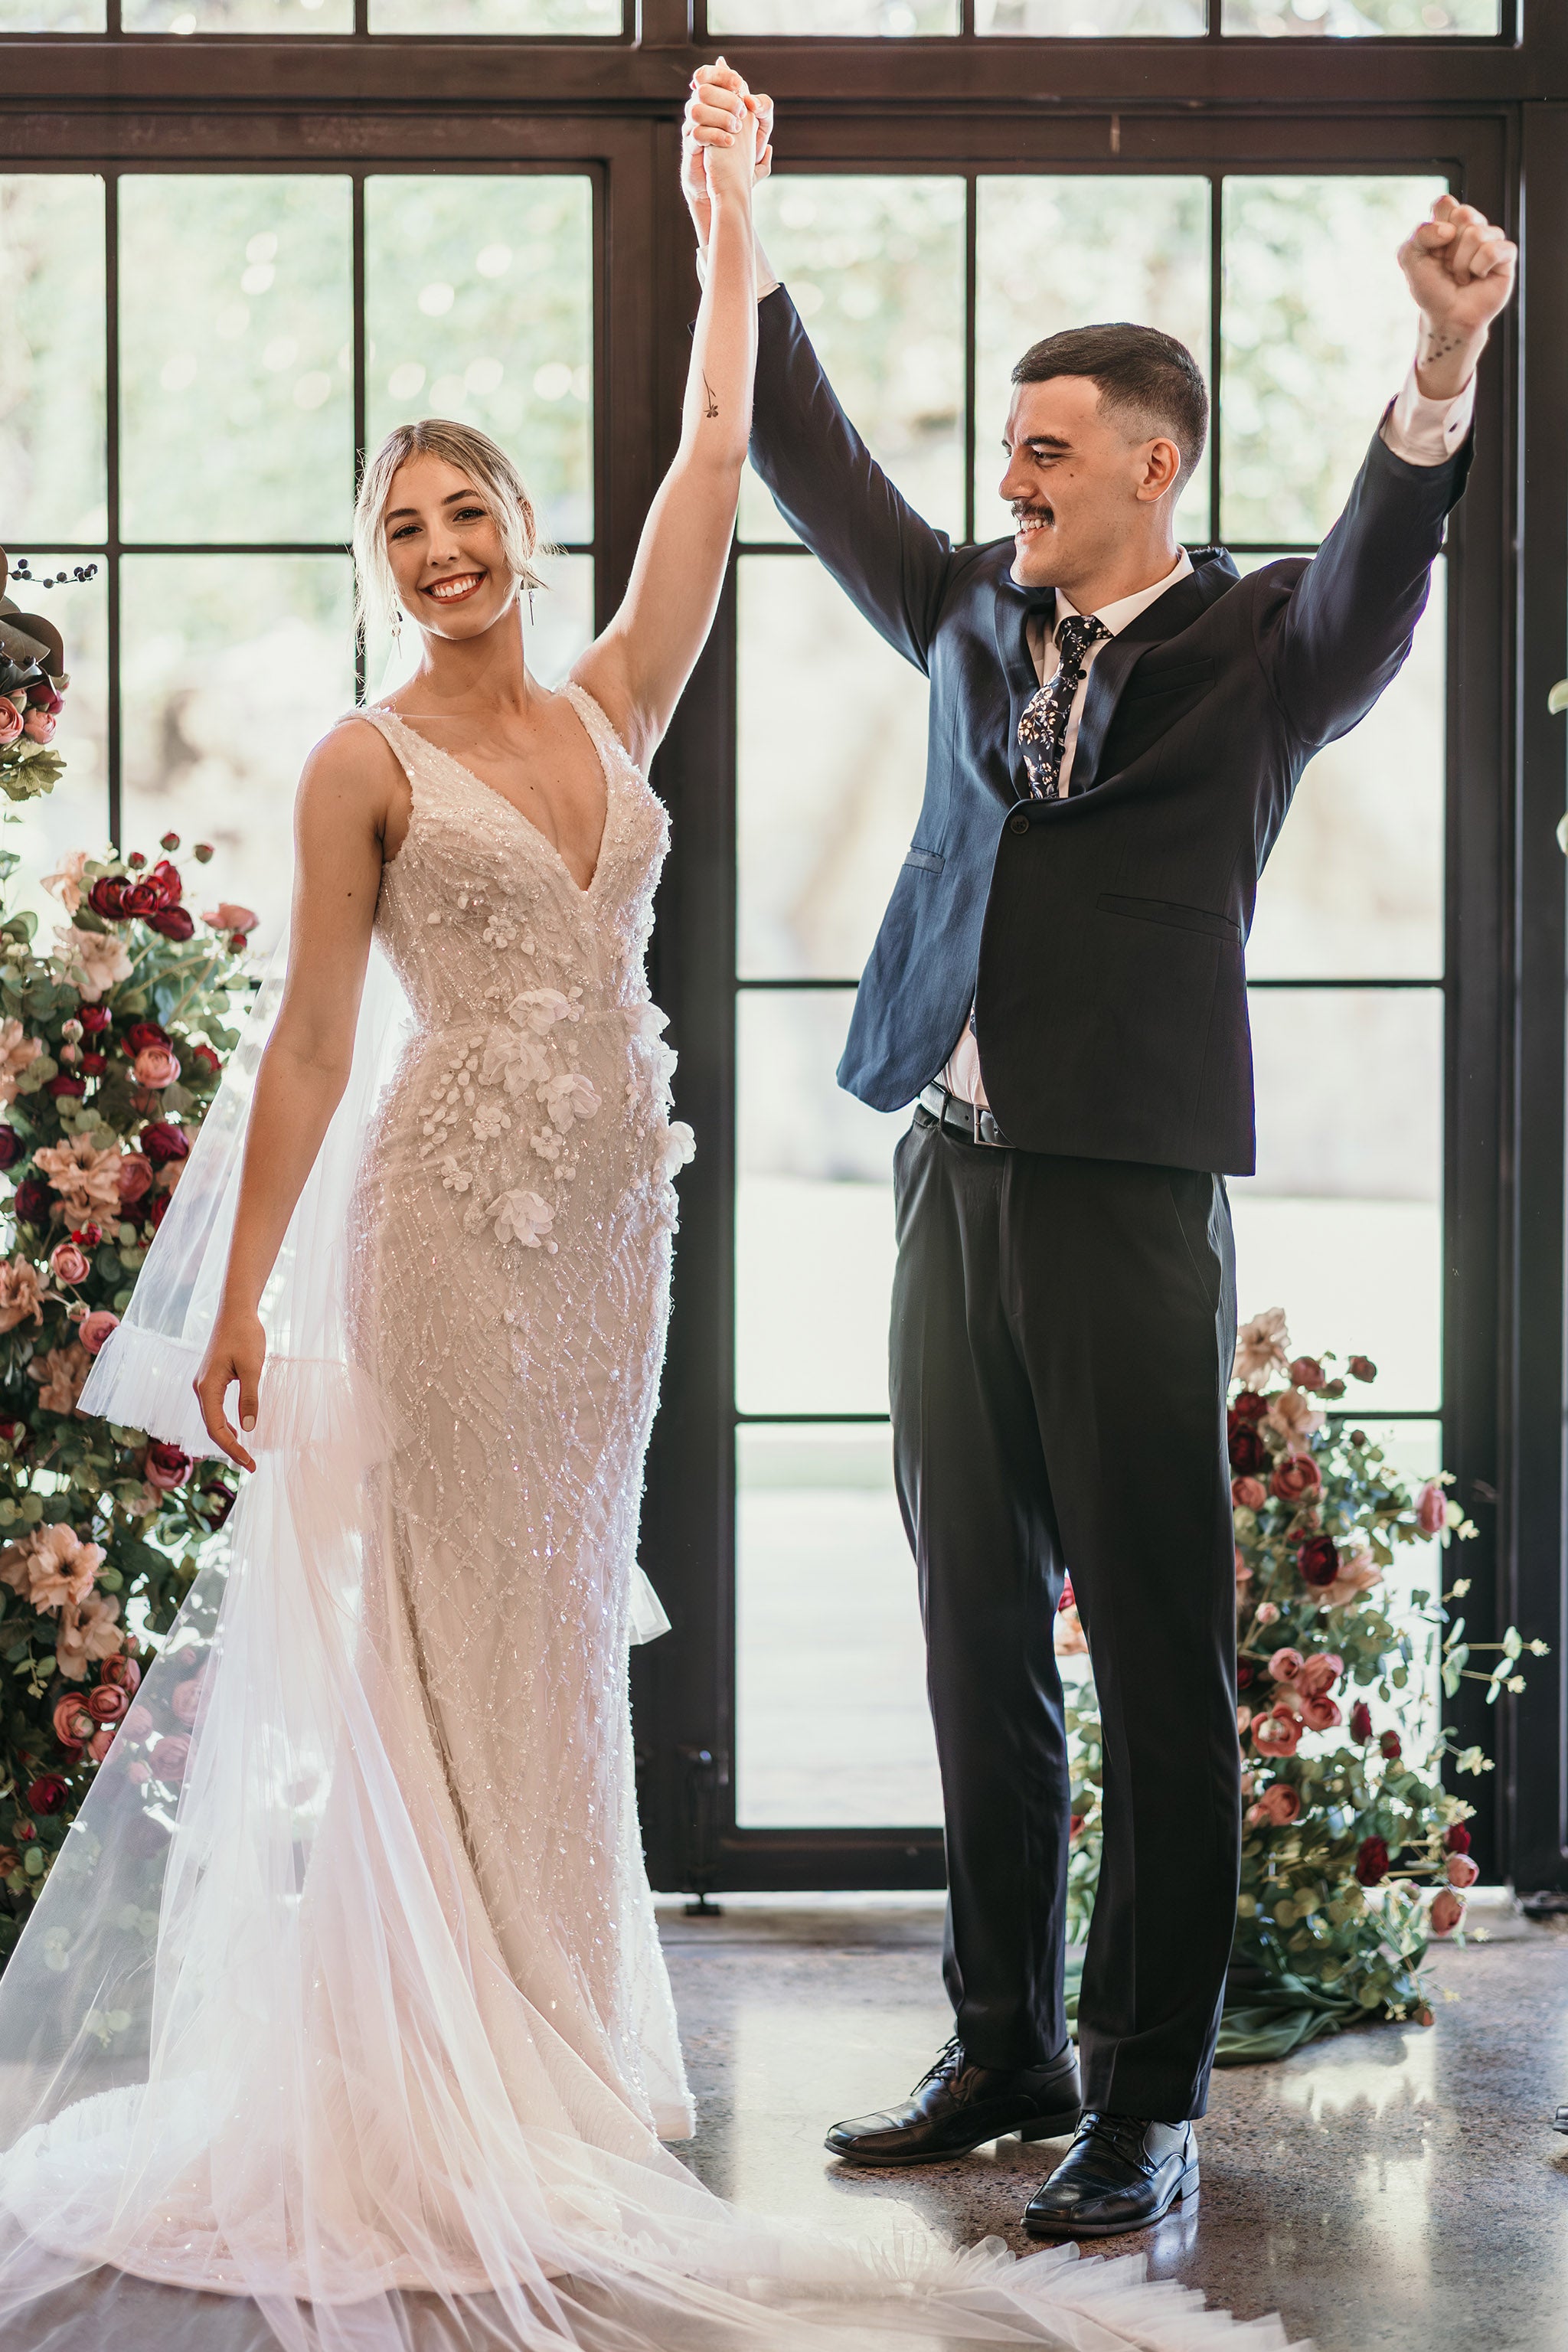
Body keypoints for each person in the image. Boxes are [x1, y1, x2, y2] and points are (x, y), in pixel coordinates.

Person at [0, 70, 1288, 2352]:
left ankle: (557, 2061)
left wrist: (733, 230)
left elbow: (719, 458)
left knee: (561, 1627)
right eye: (403, 533)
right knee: (451, 1631)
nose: (445, 554)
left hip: (613, 1251)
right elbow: (307, 1045)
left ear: (518, 520)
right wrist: (255, 1296)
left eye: (470, 509)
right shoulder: (354, 761)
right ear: (376, 564)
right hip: (437, 1242)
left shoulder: (615, 700)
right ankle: (440, 2072)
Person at [684, 65, 1517, 2241]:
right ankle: (1007, 2038)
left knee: (1149, 1646)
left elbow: (1381, 563)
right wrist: (736, 224)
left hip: (1135, 1193)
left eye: (1051, 450)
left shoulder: (1261, 653)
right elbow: (808, 452)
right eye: (1011, 448)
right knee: (971, 1629)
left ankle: (1144, 2094)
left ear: (1155, 468)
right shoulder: (966, 608)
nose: (1011, 476)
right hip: (947, 1175)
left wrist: (1443, 361)